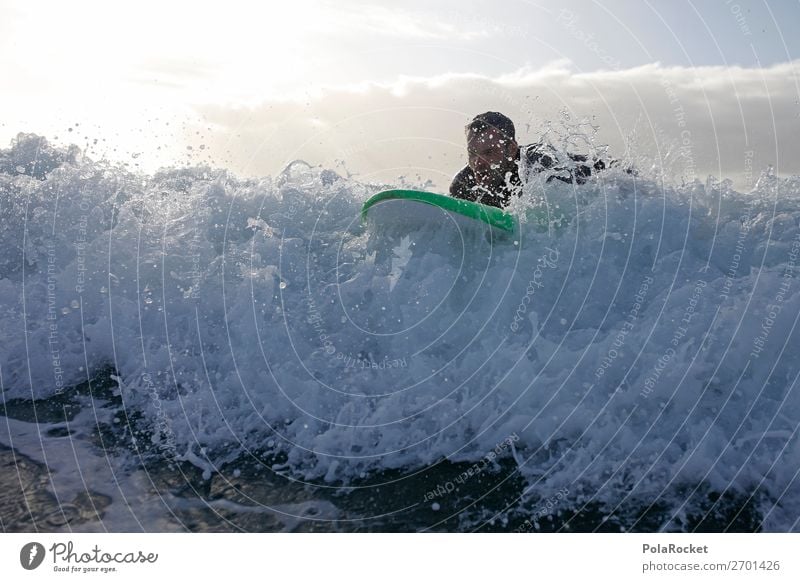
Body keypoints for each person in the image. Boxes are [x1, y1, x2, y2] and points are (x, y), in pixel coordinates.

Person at [449, 111, 610, 208]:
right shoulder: (463, 185)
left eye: (489, 152)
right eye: (472, 154)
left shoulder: (539, 165)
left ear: (511, 149)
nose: (478, 163)